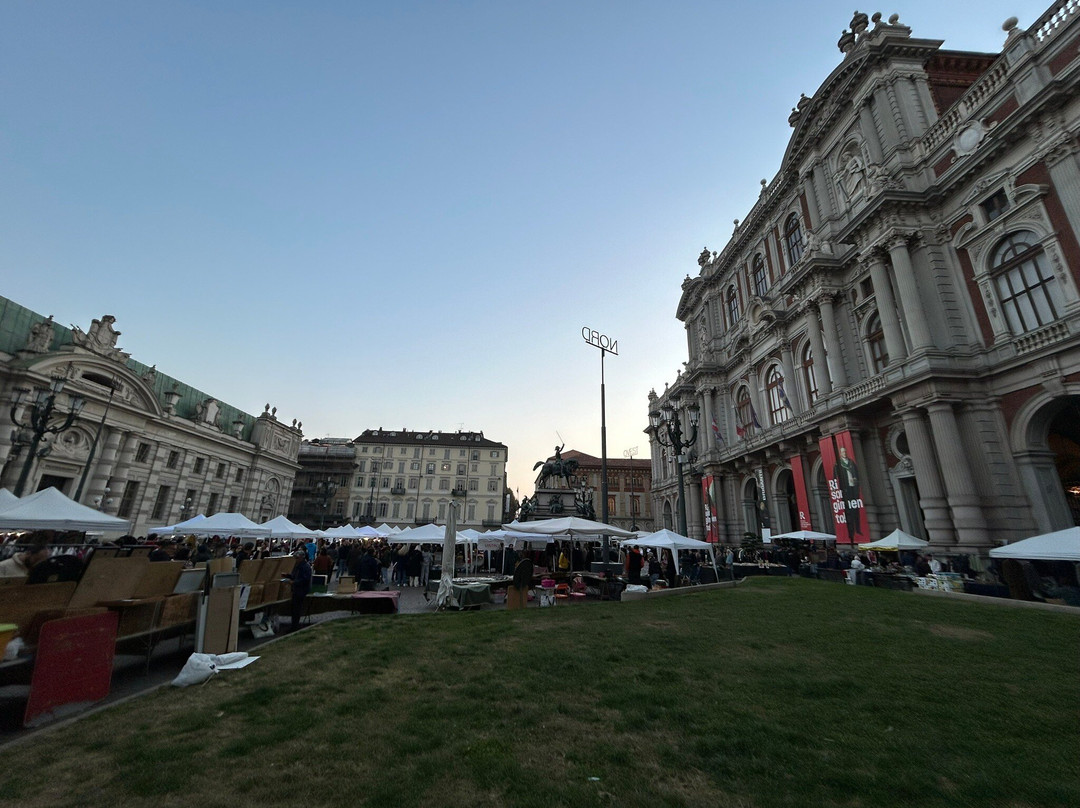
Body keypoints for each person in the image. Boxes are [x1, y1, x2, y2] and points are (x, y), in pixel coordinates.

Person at [832, 445, 862, 542]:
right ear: (840, 454)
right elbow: (835, 477)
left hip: (854, 488)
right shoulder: (838, 464)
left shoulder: (851, 462)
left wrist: (855, 480)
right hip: (845, 490)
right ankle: (851, 532)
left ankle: (858, 529)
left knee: (856, 509)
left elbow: (857, 474)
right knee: (848, 511)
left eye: (845, 452)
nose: (844, 453)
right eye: (842, 452)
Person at [284, 549, 312, 632]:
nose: (295, 560)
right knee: (294, 609)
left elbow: (305, 579)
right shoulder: (298, 565)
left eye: (297, 558)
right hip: (296, 589)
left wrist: (294, 582)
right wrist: (288, 576)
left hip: (301, 590)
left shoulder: (305, 566)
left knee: (296, 609)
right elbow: (294, 575)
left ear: (301, 558)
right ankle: (294, 625)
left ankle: (295, 627)